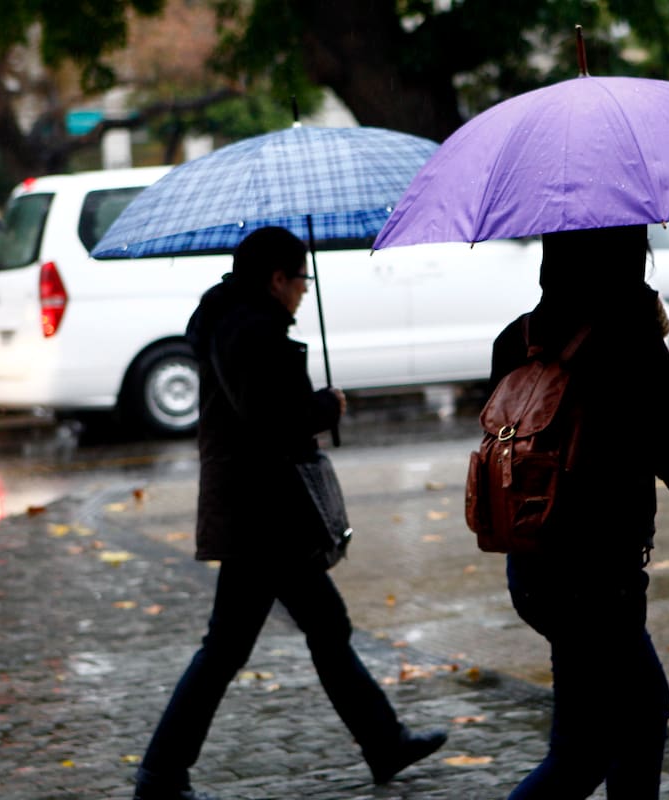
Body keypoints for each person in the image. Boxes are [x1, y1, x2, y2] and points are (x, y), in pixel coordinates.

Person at [132, 226, 446, 800]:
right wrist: (324, 406)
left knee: (313, 629)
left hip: (260, 511)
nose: (304, 291)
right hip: (263, 515)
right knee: (238, 645)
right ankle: (160, 772)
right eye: (301, 278)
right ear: (277, 279)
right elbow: (271, 418)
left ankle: (383, 741)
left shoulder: (236, 321)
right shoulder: (251, 330)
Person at [485, 225, 669, 799]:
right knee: (626, 725)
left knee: (593, 738)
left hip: (532, 568)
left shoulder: (515, 338)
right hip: (598, 577)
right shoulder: (627, 341)